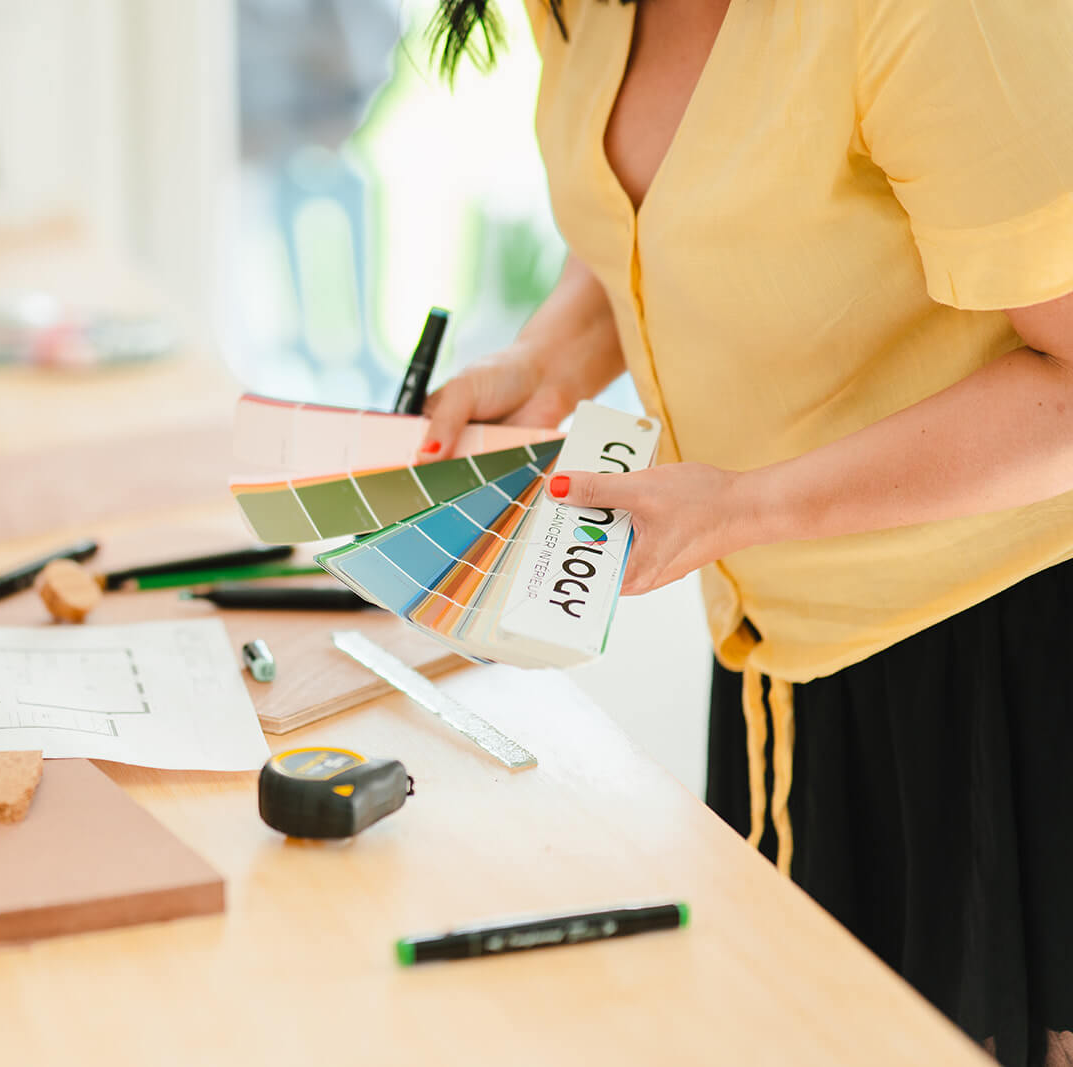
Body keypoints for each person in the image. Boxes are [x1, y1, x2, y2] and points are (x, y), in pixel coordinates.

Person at [419, 2, 1073, 1064]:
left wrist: (742, 505)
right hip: (787, 659)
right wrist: (543, 364)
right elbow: (655, 211)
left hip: (1011, 659)